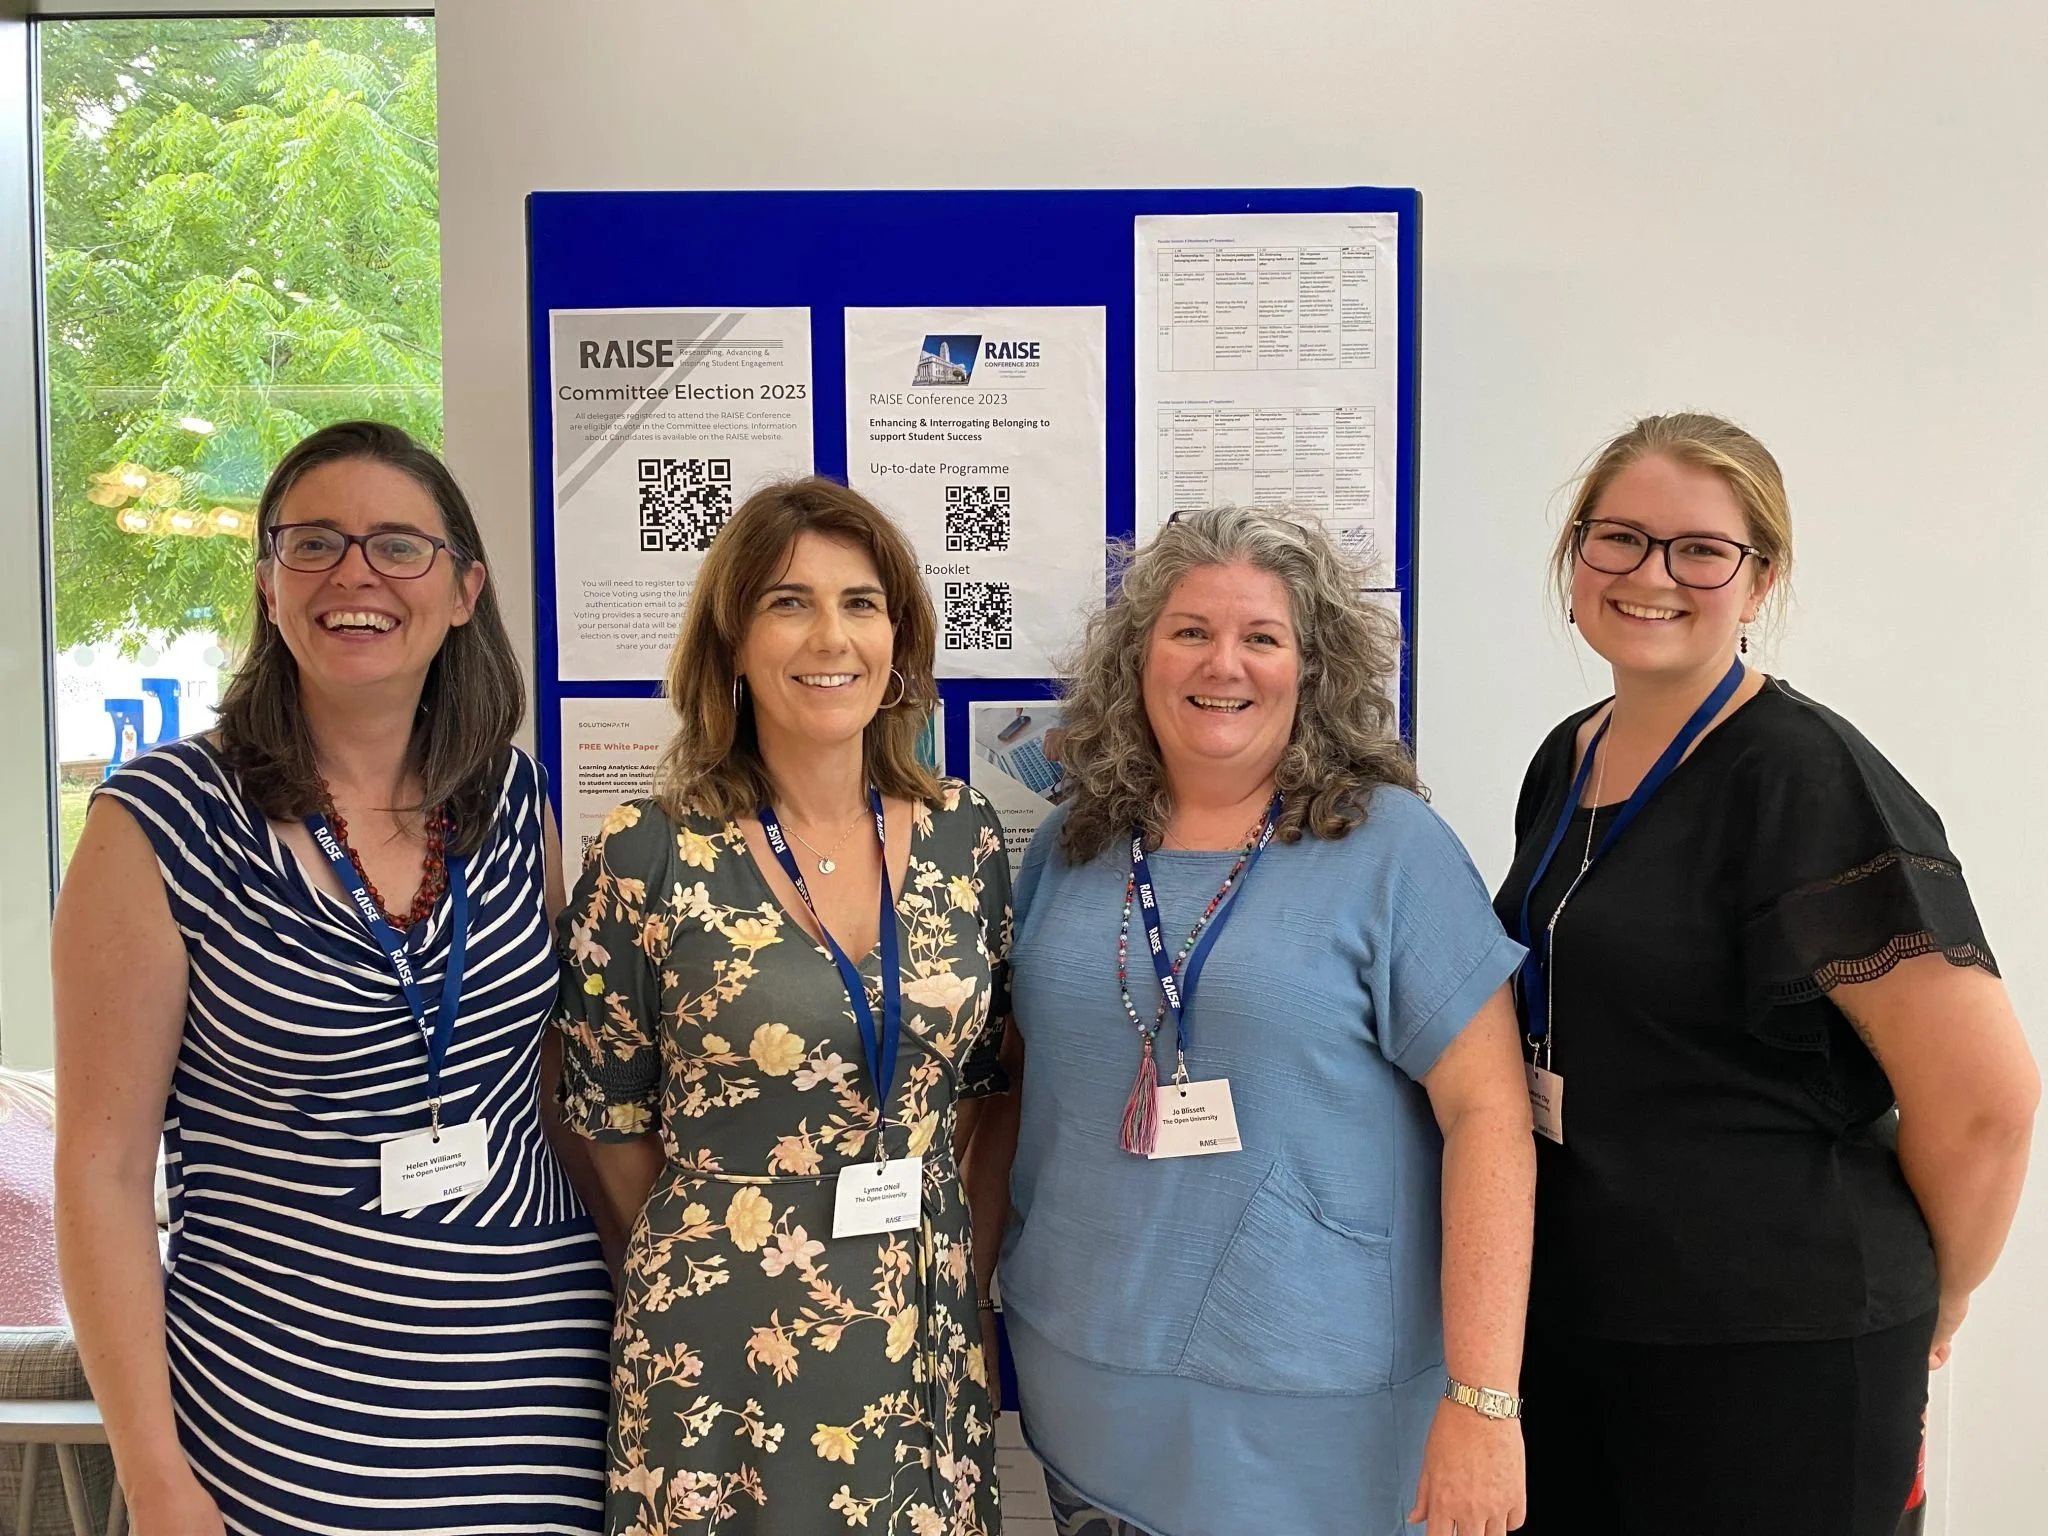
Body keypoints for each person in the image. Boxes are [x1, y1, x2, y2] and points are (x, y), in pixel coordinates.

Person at [54, 421, 611, 1534]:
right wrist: (154, 1476)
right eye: (314, 543)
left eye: (399, 545)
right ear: (269, 585)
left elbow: (551, 1096)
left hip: (539, 1398)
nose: (356, 573)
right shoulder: (157, 823)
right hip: (282, 1422)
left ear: (464, 591)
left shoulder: (510, 800)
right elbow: (101, 1174)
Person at [1495, 413, 2039, 1536]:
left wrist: (1943, 1297)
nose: (1652, 575)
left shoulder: (1805, 776)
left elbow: (1985, 1100)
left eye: (1700, 550)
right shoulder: (1571, 753)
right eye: (1619, 537)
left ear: (1759, 581)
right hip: (1592, 1317)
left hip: (1779, 1344)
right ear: (1575, 554)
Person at [973, 506, 1535, 1536]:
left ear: (1312, 669)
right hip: (1082, 1388)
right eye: (1188, 630)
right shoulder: (1070, 846)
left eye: (1261, 637)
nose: (1221, 663)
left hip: (1323, 1416)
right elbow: (1012, 1090)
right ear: (1137, 658)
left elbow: (1490, 1117)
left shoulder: (1390, 849)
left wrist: (1484, 1398)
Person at [553, 478, 1011, 1536]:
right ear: (732, 644)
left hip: (921, 1311)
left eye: (861, 603)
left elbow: (985, 1081)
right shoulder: (646, 849)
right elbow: (606, 1114)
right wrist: (720, 1237)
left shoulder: (965, 834)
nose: (830, 637)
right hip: (718, 1335)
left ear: (898, 640)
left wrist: (959, 1268)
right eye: (788, 602)